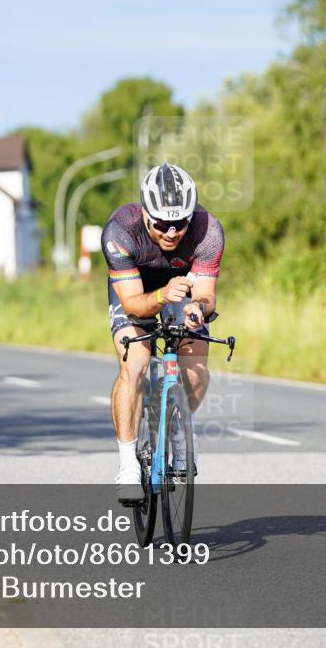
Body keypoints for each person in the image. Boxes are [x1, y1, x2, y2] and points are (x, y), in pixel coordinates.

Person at [101, 163, 224, 502]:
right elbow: (135, 306)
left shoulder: (208, 230)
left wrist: (197, 309)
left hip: (182, 292)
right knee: (135, 364)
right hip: (138, 292)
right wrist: (160, 296)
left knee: (196, 370)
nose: (172, 232)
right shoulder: (120, 231)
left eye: (179, 223)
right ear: (145, 213)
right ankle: (127, 464)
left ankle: (179, 427)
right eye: (162, 224)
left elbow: (207, 295)